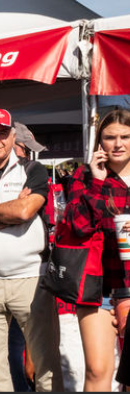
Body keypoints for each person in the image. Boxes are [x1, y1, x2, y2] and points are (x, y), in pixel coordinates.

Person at [0, 108, 62, 392]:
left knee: (47, 368)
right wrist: (12, 212)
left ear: (12, 136)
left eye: (2, 133)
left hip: (31, 279)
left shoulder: (33, 170)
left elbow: (25, 211)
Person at [59, 108, 130, 391]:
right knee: (98, 370)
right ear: (100, 141)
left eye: (125, 136)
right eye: (110, 137)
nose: (118, 143)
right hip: (96, 286)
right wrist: (97, 180)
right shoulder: (84, 175)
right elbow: (79, 225)